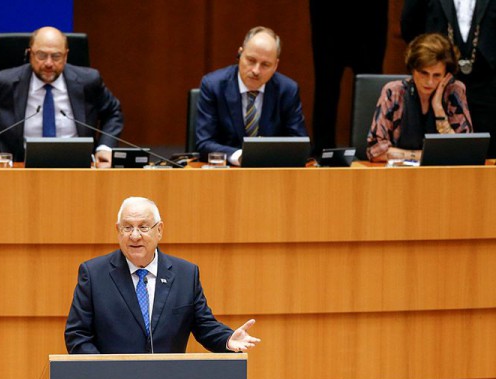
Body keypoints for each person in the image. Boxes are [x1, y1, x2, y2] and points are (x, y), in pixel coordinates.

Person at [65, 197, 260, 354]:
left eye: (143, 227)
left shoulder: (186, 274)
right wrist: (103, 371)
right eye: (127, 227)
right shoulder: (94, 274)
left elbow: (204, 325)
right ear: (117, 231)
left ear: (159, 230)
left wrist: (227, 339)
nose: (134, 236)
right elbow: (77, 335)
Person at [0, 26, 123, 166]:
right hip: (19, 169)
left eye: (56, 56)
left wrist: (105, 148)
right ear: (30, 54)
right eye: (41, 55)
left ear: (66, 56)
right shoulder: (5, 82)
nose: (48, 63)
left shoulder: (89, 81)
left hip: (78, 169)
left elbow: (113, 112)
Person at [195, 26, 307, 166]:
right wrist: (240, 156)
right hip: (225, 174)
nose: (256, 70)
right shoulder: (213, 85)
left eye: (265, 65)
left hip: (271, 174)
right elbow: (204, 143)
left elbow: (299, 144)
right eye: (251, 60)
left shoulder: (287, 90)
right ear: (240, 54)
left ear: (276, 65)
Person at [401, 0, 496, 157]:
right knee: (440, 156)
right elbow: (410, 25)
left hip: (488, 86)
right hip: (437, 83)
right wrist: (431, 60)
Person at [367, 33, 473, 162]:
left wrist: (439, 109)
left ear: (447, 75)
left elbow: (465, 151)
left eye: (437, 75)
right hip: (398, 176)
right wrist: (426, 156)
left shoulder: (454, 91)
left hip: (444, 177)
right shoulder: (394, 92)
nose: (429, 82)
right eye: (424, 73)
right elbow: (375, 151)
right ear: (413, 69)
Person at [310, 0, 388, 155]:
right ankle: (323, 150)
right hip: (328, 15)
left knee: (370, 84)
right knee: (326, 85)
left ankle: (370, 147)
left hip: (370, 15)